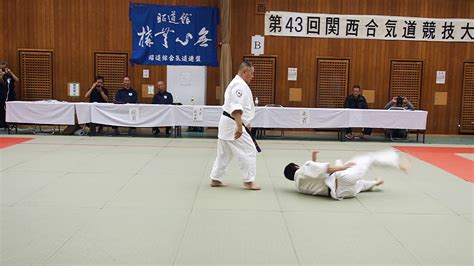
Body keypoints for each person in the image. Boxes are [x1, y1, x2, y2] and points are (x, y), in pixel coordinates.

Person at [209, 61, 261, 190]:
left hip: (228, 122)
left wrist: (247, 123)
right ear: (245, 72)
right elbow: (236, 107)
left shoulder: (237, 83)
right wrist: (239, 126)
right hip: (233, 123)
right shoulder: (239, 85)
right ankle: (249, 181)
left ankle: (216, 178)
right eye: (251, 73)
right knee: (249, 150)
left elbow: (241, 108)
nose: (253, 76)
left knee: (224, 153)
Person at [283, 149, 410, 200]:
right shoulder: (306, 167)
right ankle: (397, 162)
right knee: (368, 158)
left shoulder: (299, 187)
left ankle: (374, 182)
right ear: (296, 166)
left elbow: (315, 178)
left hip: (342, 194)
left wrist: (314, 161)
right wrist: (342, 167)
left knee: (358, 185)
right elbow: (327, 168)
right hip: (341, 179)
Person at [0, 62, 19, 129]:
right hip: (2, 96)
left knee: (12, 109)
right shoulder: (1, 76)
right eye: (2, 68)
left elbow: (17, 79)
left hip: (11, 95)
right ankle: (3, 124)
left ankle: (11, 123)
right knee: (2, 110)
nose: (4, 70)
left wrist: (11, 73)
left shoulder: (9, 75)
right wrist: (2, 76)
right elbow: (3, 82)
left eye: (5, 68)